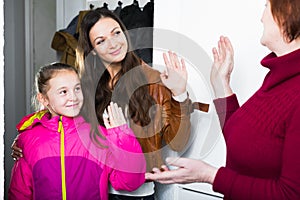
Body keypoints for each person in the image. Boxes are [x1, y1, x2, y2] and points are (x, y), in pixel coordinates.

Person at [11, 8, 209, 199]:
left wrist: (180, 93)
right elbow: (60, 125)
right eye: (101, 41)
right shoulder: (83, 86)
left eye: (116, 33)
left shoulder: (154, 81)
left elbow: (179, 142)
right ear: (93, 50)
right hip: (92, 190)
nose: (113, 43)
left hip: (137, 193)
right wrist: (26, 139)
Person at [146, 0, 300, 199]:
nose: (261, 17)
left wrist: (210, 175)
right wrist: (221, 85)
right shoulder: (278, 78)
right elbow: (243, 140)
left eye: (266, 6)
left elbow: (290, 194)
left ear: (287, 12)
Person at [8, 63, 146, 200]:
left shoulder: (98, 135)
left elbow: (130, 182)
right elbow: (19, 193)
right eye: (63, 91)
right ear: (43, 99)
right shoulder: (29, 139)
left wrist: (121, 135)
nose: (73, 97)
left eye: (77, 89)